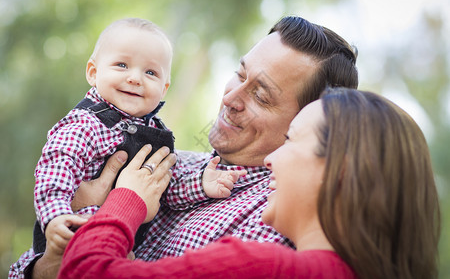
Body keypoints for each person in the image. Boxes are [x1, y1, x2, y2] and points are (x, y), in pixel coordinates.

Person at [9, 15, 359, 278]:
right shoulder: (179, 163)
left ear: (310, 119)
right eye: (240, 74)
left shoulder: (274, 219)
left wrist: (119, 203)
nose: (231, 97)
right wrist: (47, 258)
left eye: (261, 96)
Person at [57, 88, 441, 278]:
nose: (272, 159)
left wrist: (125, 199)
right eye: (240, 74)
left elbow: (86, 271)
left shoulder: (261, 266)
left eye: (291, 140)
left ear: (339, 171)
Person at [10, 18, 244, 278]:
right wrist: (56, 217)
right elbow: (55, 171)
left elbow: (165, 187)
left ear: (164, 88)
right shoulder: (85, 124)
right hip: (70, 238)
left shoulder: (158, 134)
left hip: (117, 253)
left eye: (151, 73)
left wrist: (201, 184)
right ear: (93, 72)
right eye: (122, 65)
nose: (135, 78)